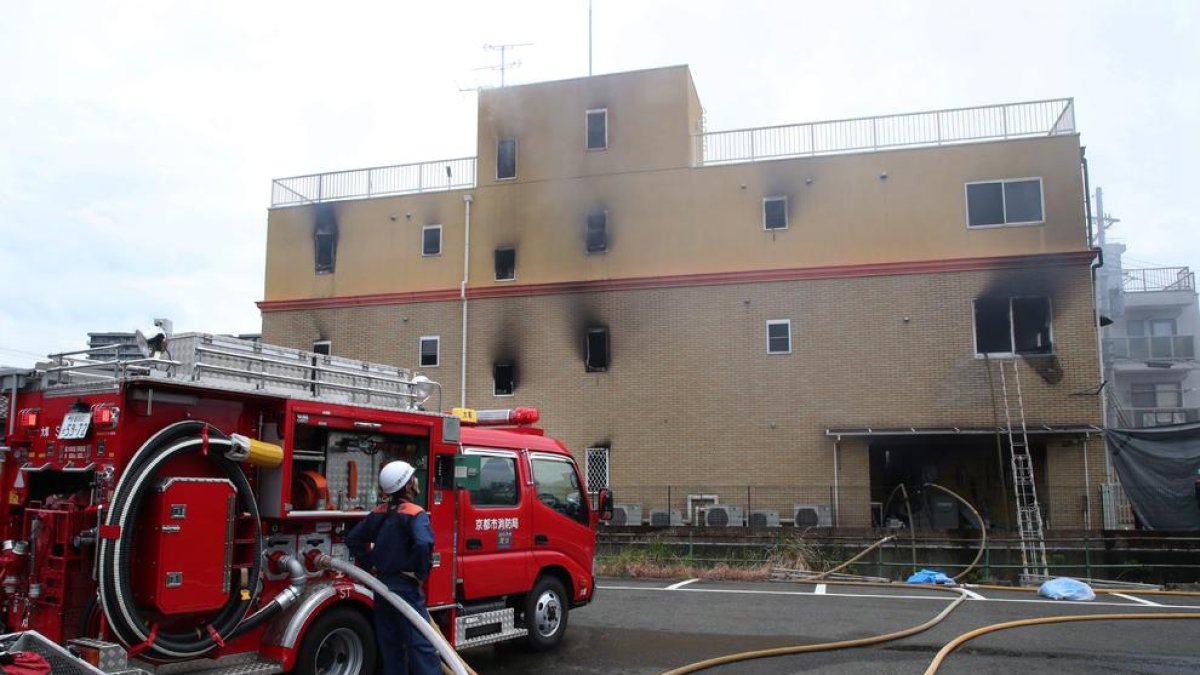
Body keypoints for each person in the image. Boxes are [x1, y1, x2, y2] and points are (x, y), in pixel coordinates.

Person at [346, 460, 439, 675]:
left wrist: (371, 565)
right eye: (412, 478)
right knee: (420, 644)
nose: (416, 481)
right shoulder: (416, 514)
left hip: (381, 586)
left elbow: (353, 539)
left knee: (391, 645)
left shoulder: (379, 512)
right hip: (405, 588)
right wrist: (420, 574)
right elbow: (424, 543)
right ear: (407, 486)